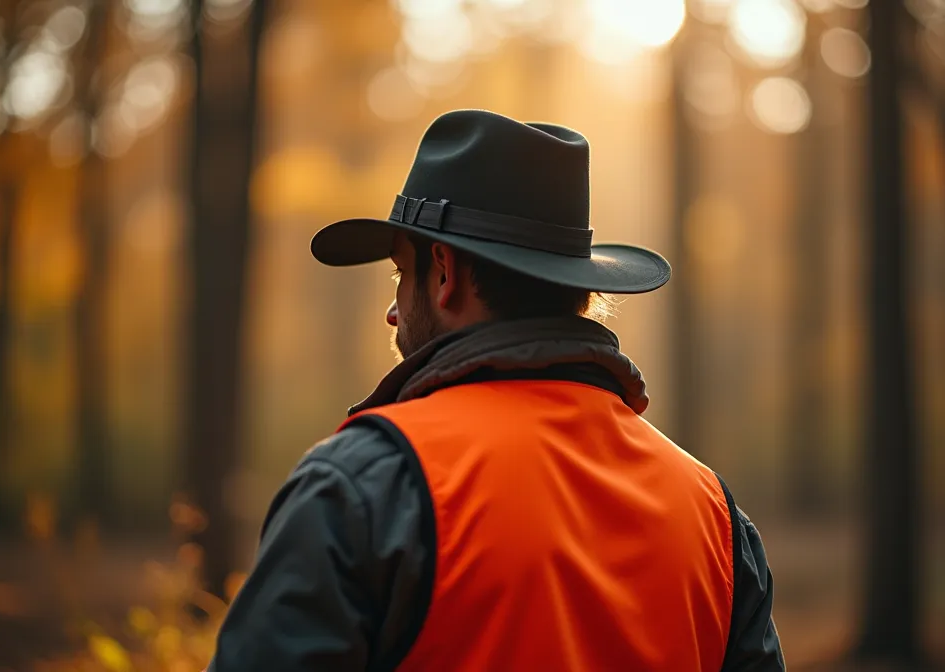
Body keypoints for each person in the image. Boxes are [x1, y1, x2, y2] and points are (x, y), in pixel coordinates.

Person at [208, 109, 785, 671]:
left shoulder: (367, 486)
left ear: (443, 273)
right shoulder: (712, 512)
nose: (392, 310)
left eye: (399, 275)